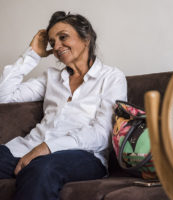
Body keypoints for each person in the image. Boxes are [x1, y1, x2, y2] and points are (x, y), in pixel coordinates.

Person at [0, 11, 127, 200]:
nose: (57, 46)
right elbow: (4, 96)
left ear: (86, 38)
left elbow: (102, 133)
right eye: (52, 42)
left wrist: (47, 147)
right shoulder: (51, 77)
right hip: (26, 148)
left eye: (63, 37)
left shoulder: (112, 77)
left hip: (83, 155)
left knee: (43, 168)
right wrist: (32, 54)